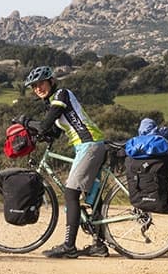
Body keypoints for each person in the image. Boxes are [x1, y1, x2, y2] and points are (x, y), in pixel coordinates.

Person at [22, 65, 109, 259]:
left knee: (71, 193)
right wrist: (39, 135)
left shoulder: (61, 95)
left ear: (51, 81)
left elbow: (45, 125)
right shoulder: (55, 101)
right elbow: (53, 131)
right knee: (92, 198)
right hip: (89, 145)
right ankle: (99, 245)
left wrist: (26, 123)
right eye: (34, 86)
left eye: (41, 84)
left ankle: (69, 246)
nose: (37, 89)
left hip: (89, 145)